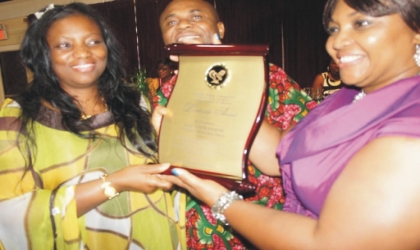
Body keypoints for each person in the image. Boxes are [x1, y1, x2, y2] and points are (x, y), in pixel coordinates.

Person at [167, 0, 420, 248]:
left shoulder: (411, 125)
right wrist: (213, 72)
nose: (336, 43)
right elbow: (277, 157)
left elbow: (330, 243)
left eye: (361, 23)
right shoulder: (346, 99)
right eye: (334, 29)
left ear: (416, 32)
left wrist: (222, 202)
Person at [0, 3, 184, 249]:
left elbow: (155, 166)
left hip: (154, 236)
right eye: (65, 45)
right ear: (44, 54)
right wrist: (113, 184)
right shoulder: (18, 116)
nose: (83, 53)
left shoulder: (133, 100)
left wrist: (166, 140)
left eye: (93, 41)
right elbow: (9, 213)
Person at [156, 0, 315, 248]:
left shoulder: (267, 76)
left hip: (263, 223)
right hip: (201, 228)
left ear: (219, 28)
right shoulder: (166, 93)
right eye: (172, 21)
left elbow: (279, 162)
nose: (183, 24)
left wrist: (220, 82)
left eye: (196, 17)